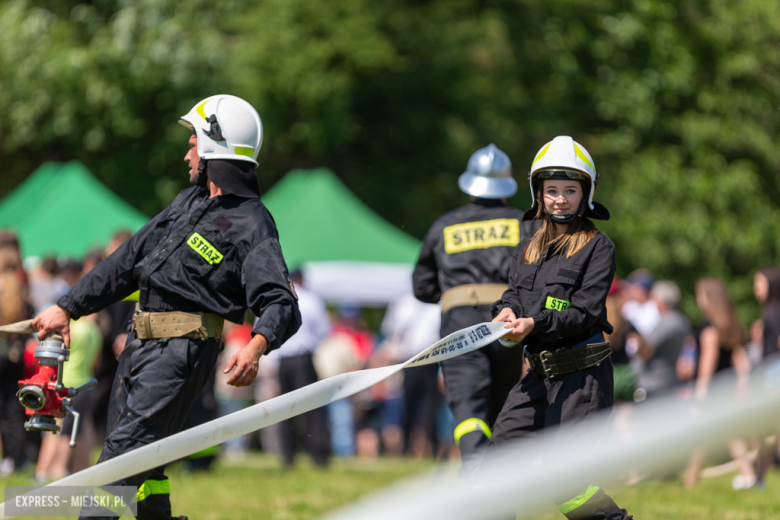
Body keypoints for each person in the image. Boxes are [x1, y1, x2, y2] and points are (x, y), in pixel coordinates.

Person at [33, 94, 301, 520]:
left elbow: (281, 301)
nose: (186, 153)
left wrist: (256, 344)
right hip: (138, 349)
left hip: (180, 356)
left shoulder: (253, 223)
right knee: (145, 466)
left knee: (117, 468)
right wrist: (68, 306)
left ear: (215, 147)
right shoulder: (187, 202)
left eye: (193, 143)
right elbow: (126, 261)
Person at [486, 136, 631, 520]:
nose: (560, 199)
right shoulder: (526, 247)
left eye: (570, 190)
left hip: (582, 377)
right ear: (539, 194)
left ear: (587, 194)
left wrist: (535, 323)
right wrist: (504, 313)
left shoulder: (599, 247)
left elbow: (583, 312)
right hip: (537, 376)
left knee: (565, 484)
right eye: (552, 191)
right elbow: (514, 295)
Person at [413, 144, 533, 476]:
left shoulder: (444, 226)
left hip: (460, 326)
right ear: (506, 186)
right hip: (505, 326)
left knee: (469, 410)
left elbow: (421, 287)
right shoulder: (525, 223)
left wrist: (456, 294)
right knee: (500, 409)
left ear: (469, 183)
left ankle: (478, 477)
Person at [684, 277, 752, 489]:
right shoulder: (730, 326)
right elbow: (741, 361)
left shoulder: (710, 327)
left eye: (700, 295)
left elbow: (708, 358)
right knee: (711, 435)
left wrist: (701, 391)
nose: (698, 300)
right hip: (726, 388)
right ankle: (691, 480)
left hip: (712, 390)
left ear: (709, 298)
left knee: (714, 433)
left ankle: (748, 475)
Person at [268, 271, 331, 467]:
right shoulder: (313, 300)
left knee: (285, 410)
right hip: (303, 360)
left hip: (283, 361)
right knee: (312, 409)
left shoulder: (275, 299)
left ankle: (288, 457)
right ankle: (318, 456)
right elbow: (324, 331)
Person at [635, 280, 692, 398]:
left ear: (662, 301)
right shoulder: (682, 321)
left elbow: (648, 350)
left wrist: (638, 338)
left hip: (655, 382)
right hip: (668, 379)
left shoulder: (668, 322)